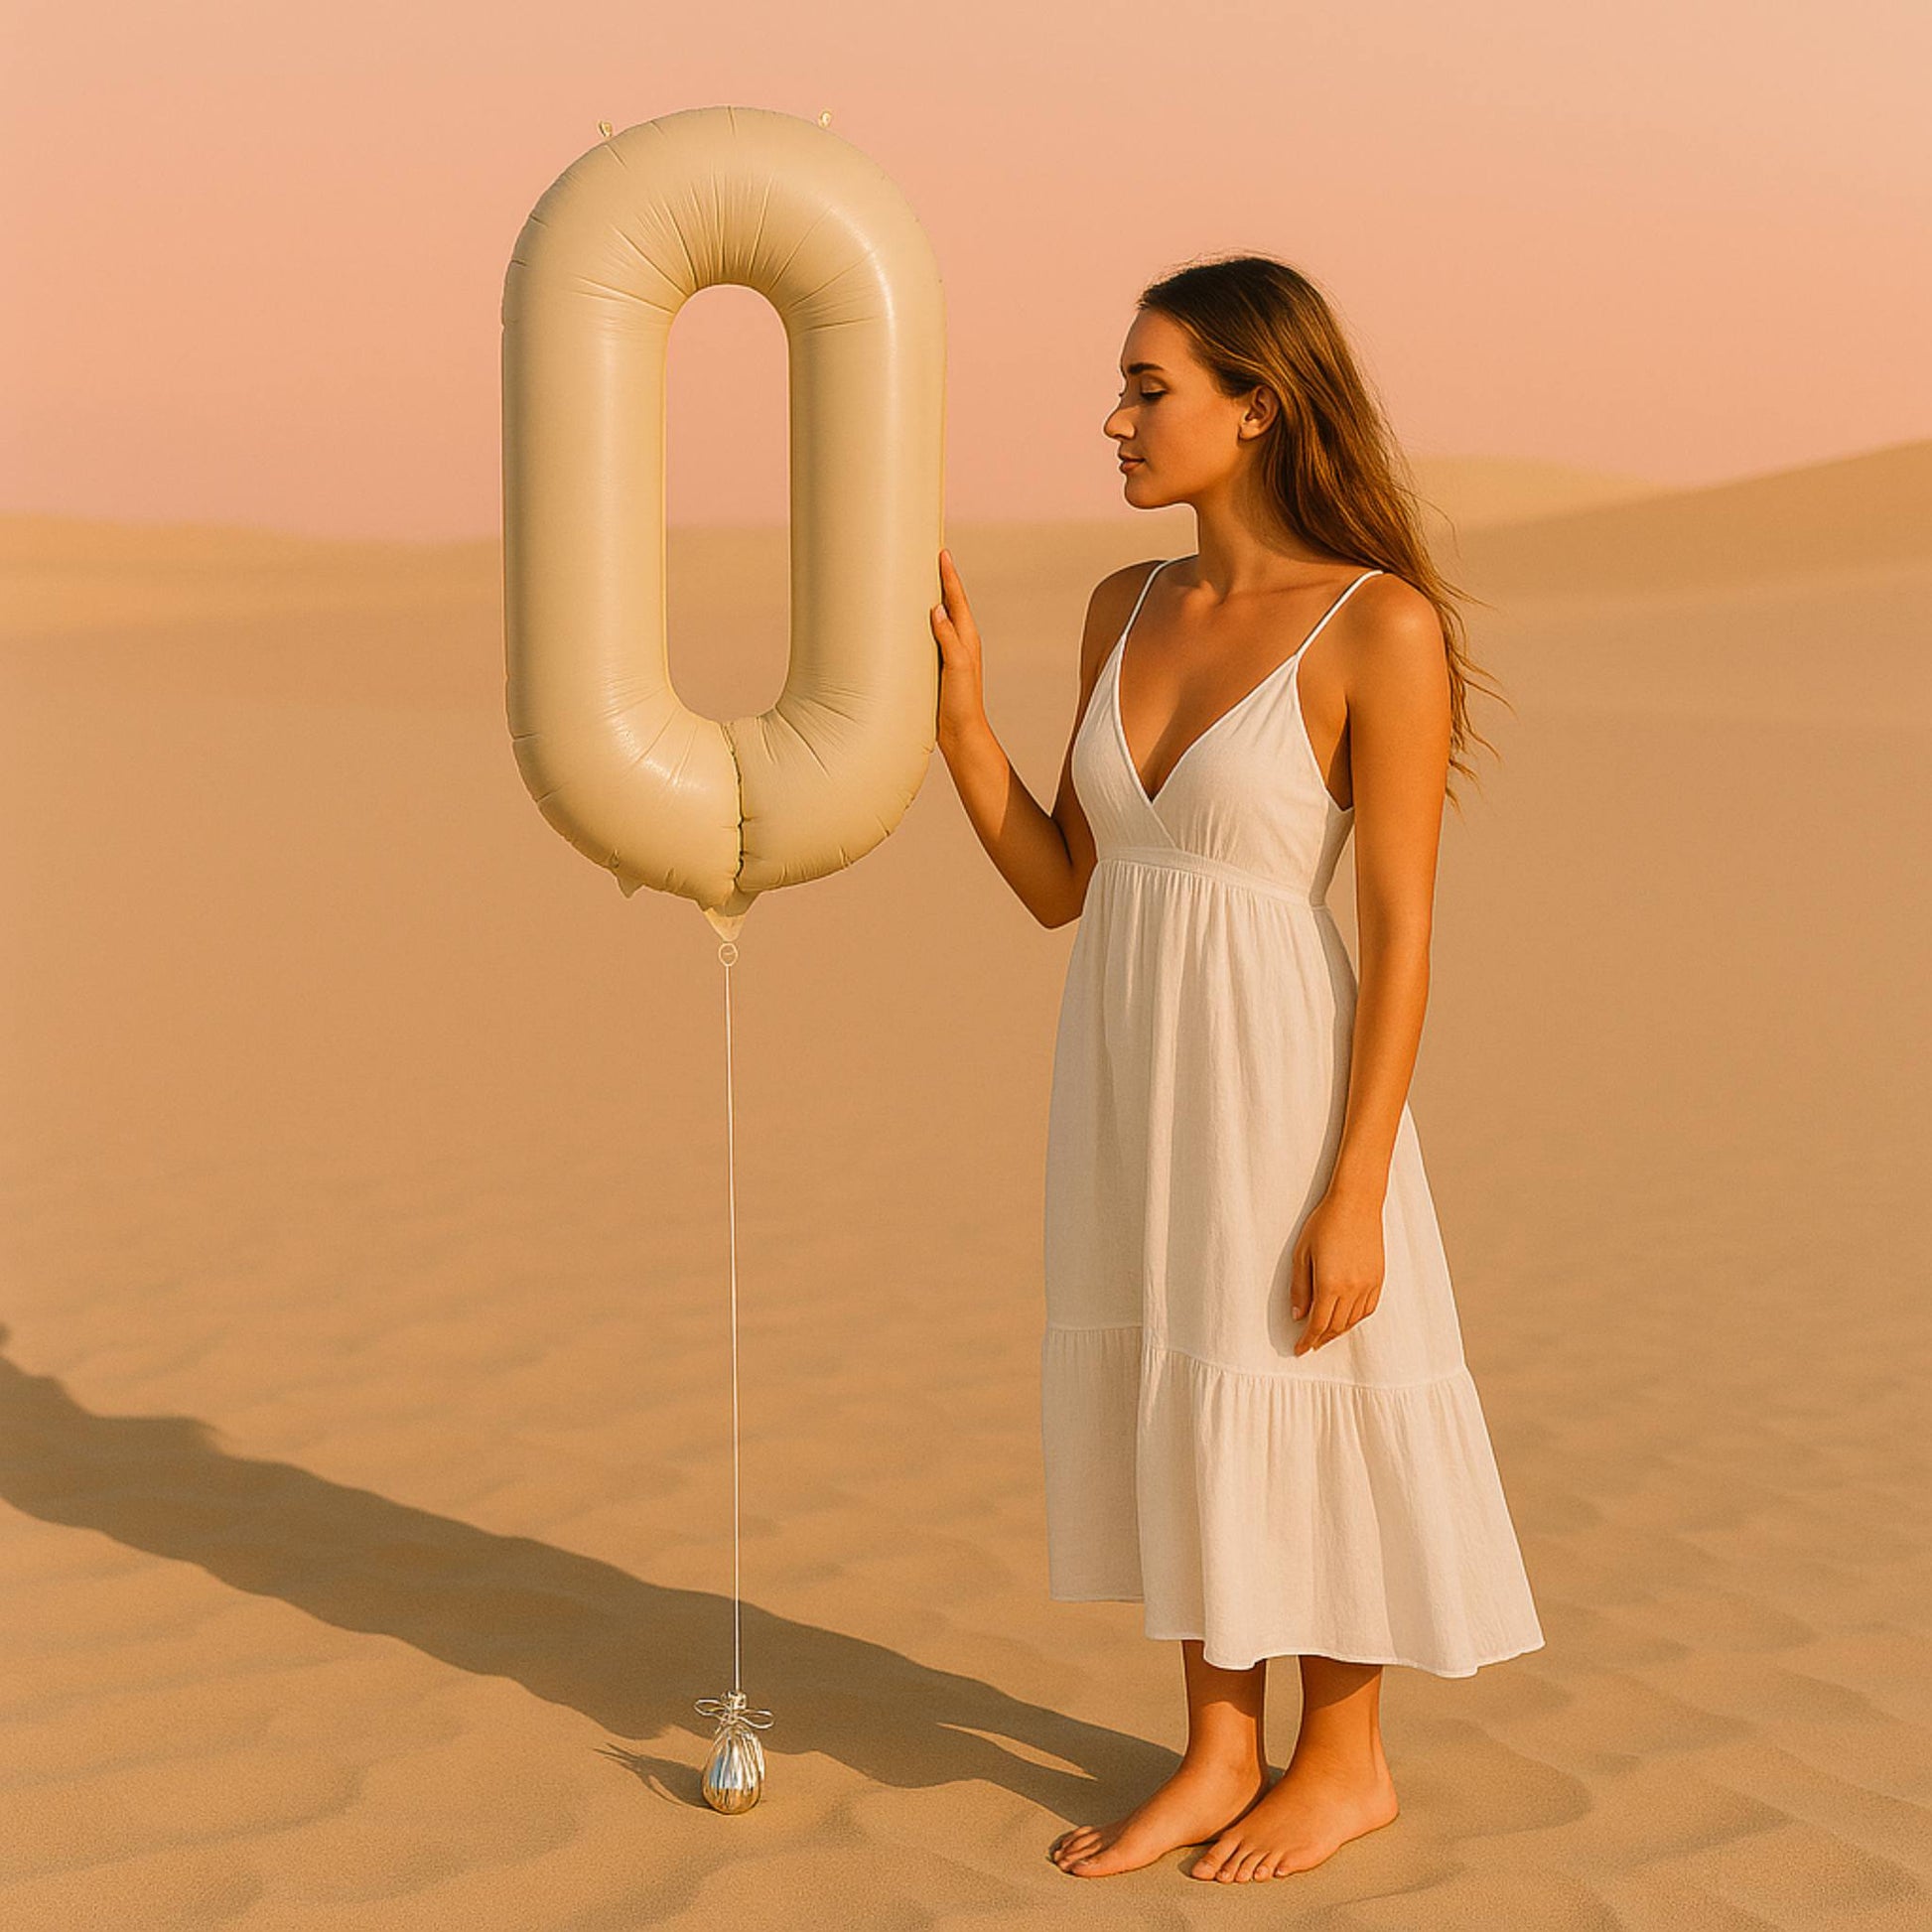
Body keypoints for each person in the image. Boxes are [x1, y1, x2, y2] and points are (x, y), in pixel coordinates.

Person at [928, 253, 1545, 1885]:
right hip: (1133, 1076)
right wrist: (964, 732)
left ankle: (1342, 1762)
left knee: (1308, 1380)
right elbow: (1071, 882)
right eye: (1123, 386)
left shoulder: (1375, 625)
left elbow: (1404, 932)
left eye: (1149, 386)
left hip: (1282, 1075)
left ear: (1255, 405)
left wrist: (1357, 1185)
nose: (1114, 420)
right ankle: (1216, 1746)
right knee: (1180, 1375)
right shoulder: (1117, 609)